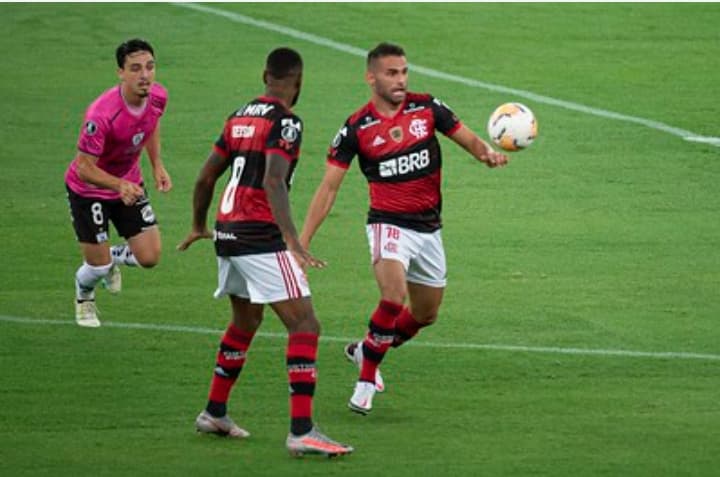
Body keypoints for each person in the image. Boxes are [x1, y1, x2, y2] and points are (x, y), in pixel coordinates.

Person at [299, 42, 509, 415]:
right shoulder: (356, 128)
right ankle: (366, 381)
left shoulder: (426, 108)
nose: (400, 80)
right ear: (371, 78)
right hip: (388, 223)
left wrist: (486, 154)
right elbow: (328, 188)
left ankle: (365, 348)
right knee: (393, 297)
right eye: (391, 73)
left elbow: (468, 138)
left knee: (426, 314)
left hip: (429, 228)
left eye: (404, 72)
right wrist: (302, 242)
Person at [177, 47, 353, 457]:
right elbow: (274, 180)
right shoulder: (286, 122)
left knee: (246, 320)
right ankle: (302, 431)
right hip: (259, 236)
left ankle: (214, 412)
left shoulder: (239, 116)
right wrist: (292, 239)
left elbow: (205, 178)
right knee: (305, 324)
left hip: (226, 232)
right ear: (299, 81)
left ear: (264, 76)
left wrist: (198, 225)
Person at [65, 38, 172, 328]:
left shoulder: (157, 96)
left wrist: (157, 164)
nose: (145, 75)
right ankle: (84, 294)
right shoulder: (101, 115)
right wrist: (118, 185)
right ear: (120, 73)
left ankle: (111, 256)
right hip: (89, 192)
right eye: (135, 68)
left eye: (150, 67)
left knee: (149, 257)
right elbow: (83, 168)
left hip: (128, 185)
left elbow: (151, 123)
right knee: (97, 267)